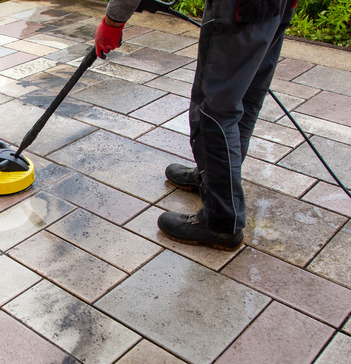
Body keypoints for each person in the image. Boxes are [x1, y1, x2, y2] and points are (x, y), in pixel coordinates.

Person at [95, 0, 298, 250]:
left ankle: (221, 222)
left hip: (238, 9)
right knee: (245, 96)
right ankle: (212, 179)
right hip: (275, 6)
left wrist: (113, 21)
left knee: (215, 111)